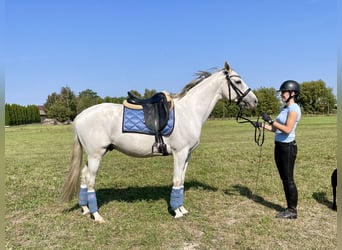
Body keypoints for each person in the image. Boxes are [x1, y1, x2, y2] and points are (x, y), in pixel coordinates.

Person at [260, 80, 301, 219]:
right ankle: (290, 208)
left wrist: (271, 120)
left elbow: (287, 130)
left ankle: (292, 210)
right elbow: (276, 129)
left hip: (288, 147)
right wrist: (261, 125)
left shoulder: (294, 109)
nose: (282, 94)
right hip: (279, 146)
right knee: (284, 178)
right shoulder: (284, 108)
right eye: (282, 92)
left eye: (284, 92)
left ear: (293, 93)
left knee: (288, 178)